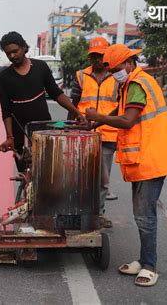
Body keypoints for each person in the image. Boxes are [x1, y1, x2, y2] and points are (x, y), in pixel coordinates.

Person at [85, 44, 167, 287]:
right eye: (112, 70)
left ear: (129, 63)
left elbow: (127, 120)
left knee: (145, 216)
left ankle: (149, 265)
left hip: (152, 158)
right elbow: (118, 110)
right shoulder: (130, 84)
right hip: (143, 159)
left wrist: (97, 118)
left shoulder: (139, 84)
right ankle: (143, 260)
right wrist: (92, 124)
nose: (115, 73)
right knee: (141, 214)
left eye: (117, 68)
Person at [0, 31, 85, 172]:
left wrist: (77, 113)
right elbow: (6, 109)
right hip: (20, 134)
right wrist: (9, 137)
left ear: (24, 47)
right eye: (8, 53)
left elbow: (57, 94)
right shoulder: (4, 76)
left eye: (15, 51)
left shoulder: (41, 67)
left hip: (44, 130)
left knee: (48, 174)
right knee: (26, 175)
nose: (12, 56)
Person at [69, 37, 119, 228]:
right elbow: (73, 104)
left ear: (106, 56)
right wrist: (70, 127)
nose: (97, 59)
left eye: (100, 56)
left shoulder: (116, 77)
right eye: (93, 56)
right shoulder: (81, 75)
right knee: (78, 176)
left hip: (107, 135)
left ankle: (97, 214)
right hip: (83, 133)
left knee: (101, 181)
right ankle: (76, 213)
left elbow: (121, 107)